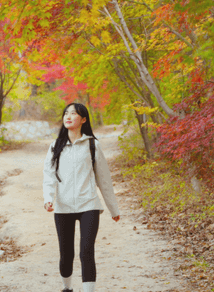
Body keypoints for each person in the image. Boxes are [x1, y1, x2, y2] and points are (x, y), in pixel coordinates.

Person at [43, 103, 121, 292]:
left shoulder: (93, 145)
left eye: (74, 114)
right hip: (63, 207)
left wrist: (113, 209)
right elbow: (49, 175)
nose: (68, 116)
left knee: (86, 251)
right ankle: (67, 288)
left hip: (89, 205)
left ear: (83, 120)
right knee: (66, 254)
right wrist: (48, 198)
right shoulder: (56, 146)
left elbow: (104, 179)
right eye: (66, 113)